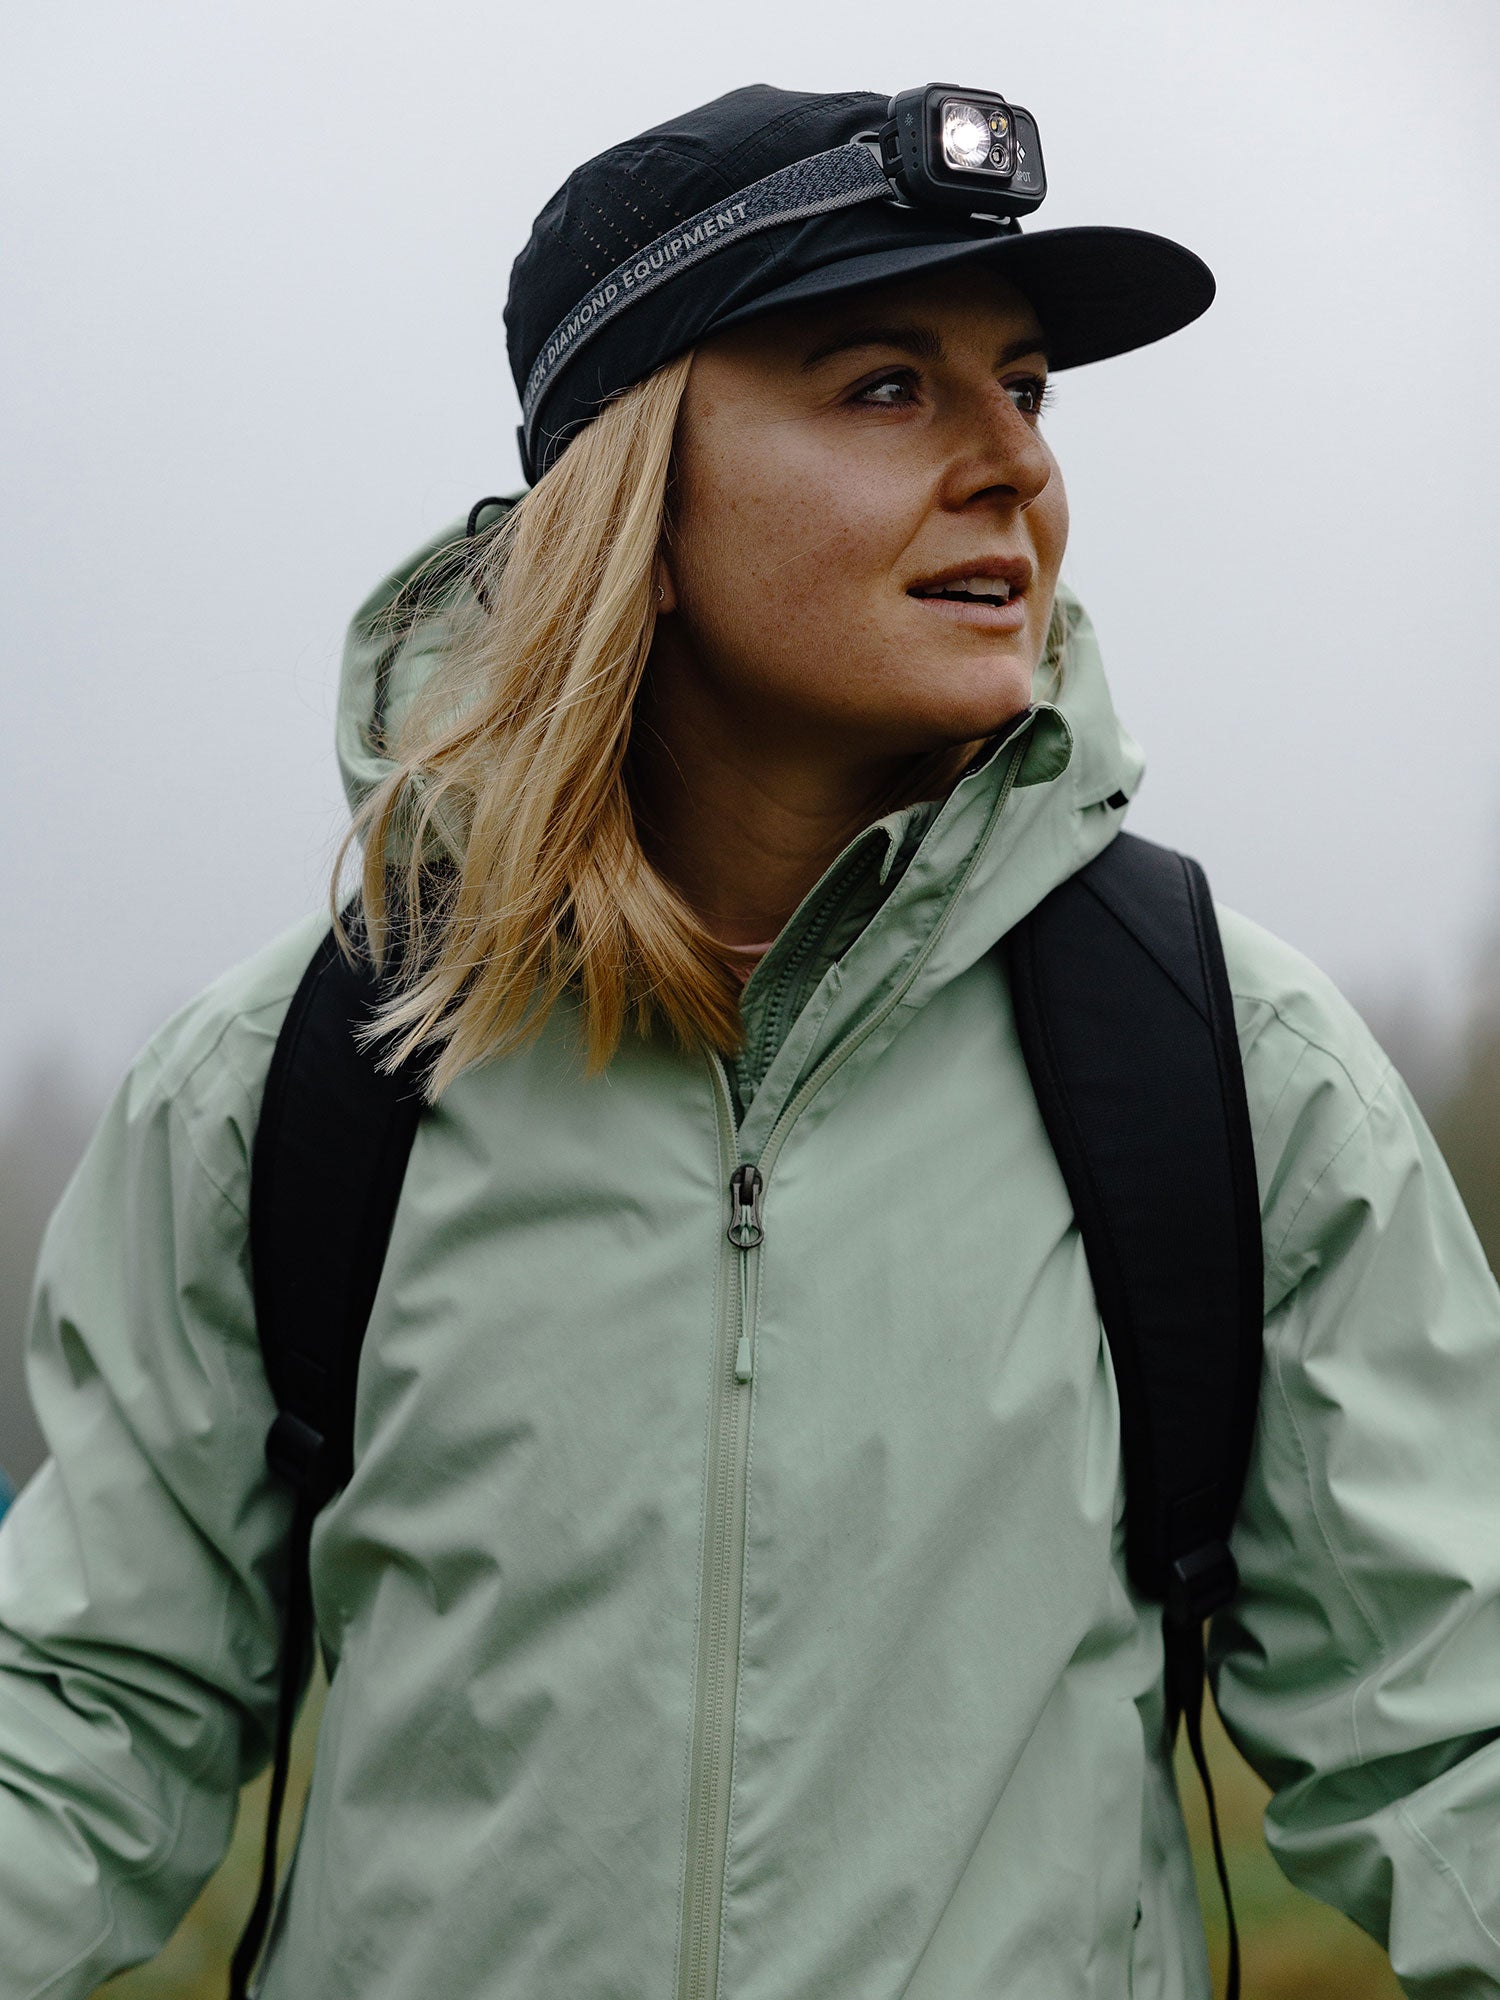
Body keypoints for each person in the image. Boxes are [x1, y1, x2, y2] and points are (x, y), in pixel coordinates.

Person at [2, 79, 1499, 2000]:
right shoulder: (299, 1085)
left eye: (1025, 389)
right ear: (643, 508)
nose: (1012, 471)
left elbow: (1452, 1736)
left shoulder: (1229, 1069)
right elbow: (86, 1720)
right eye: (888, 386)